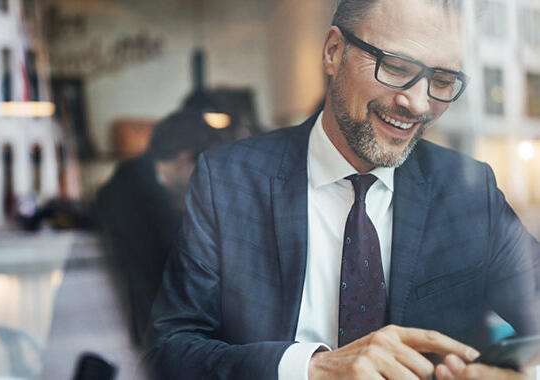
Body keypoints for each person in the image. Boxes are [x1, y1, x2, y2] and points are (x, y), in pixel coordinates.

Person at [146, 1, 540, 379]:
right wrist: (311, 369)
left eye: (441, 80)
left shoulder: (469, 191)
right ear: (333, 52)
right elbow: (171, 348)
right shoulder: (227, 180)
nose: (418, 104)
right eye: (397, 67)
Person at [94, 109, 219, 348]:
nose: (207, 183)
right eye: (206, 171)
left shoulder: (126, 186)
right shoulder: (146, 207)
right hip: (142, 345)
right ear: (184, 159)